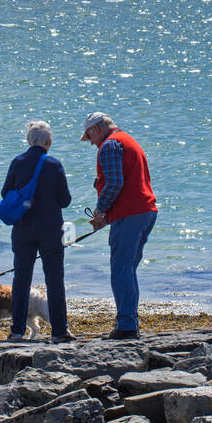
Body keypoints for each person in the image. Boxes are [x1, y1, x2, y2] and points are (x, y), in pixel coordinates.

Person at [81, 111, 157, 340]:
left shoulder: (109, 145)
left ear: (95, 129)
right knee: (128, 269)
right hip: (145, 211)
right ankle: (129, 320)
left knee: (121, 270)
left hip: (131, 214)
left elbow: (114, 183)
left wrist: (100, 211)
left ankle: (126, 325)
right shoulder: (128, 140)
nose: (91, 143)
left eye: (89, 137)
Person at [1, 120, 75, 344]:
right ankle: (59, 331)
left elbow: (6, 193)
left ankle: (16, 331)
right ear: (48, 142)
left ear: (28, 140)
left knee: (21, 279)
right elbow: (65, 200)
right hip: (51, 229)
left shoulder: (18, 162)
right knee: (54, 280)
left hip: (23, 228)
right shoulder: (54, 164)